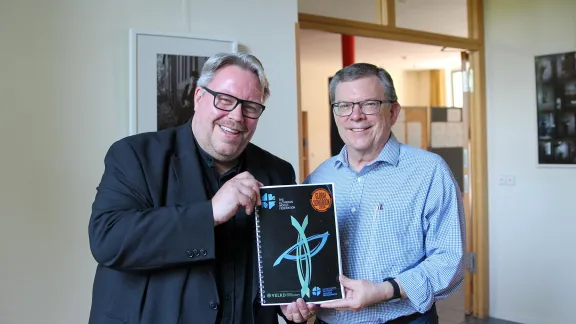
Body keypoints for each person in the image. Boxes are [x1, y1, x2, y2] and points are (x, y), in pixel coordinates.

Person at [88, 52, 316, 324]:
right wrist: (209, 214)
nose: (236, 116)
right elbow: (108, 240)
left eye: (251, 107)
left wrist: (288, 305)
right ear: (198, 97)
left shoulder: (278, 172)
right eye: (225, 100)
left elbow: (280, 265)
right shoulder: (135, 155)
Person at [304, 63, 465, 324]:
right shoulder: (319, 177)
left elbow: (449, 260)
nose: (355, 116)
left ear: (393, 111)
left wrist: (386, 290)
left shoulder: (430, 171)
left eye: (369, 104)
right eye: (344, 105)